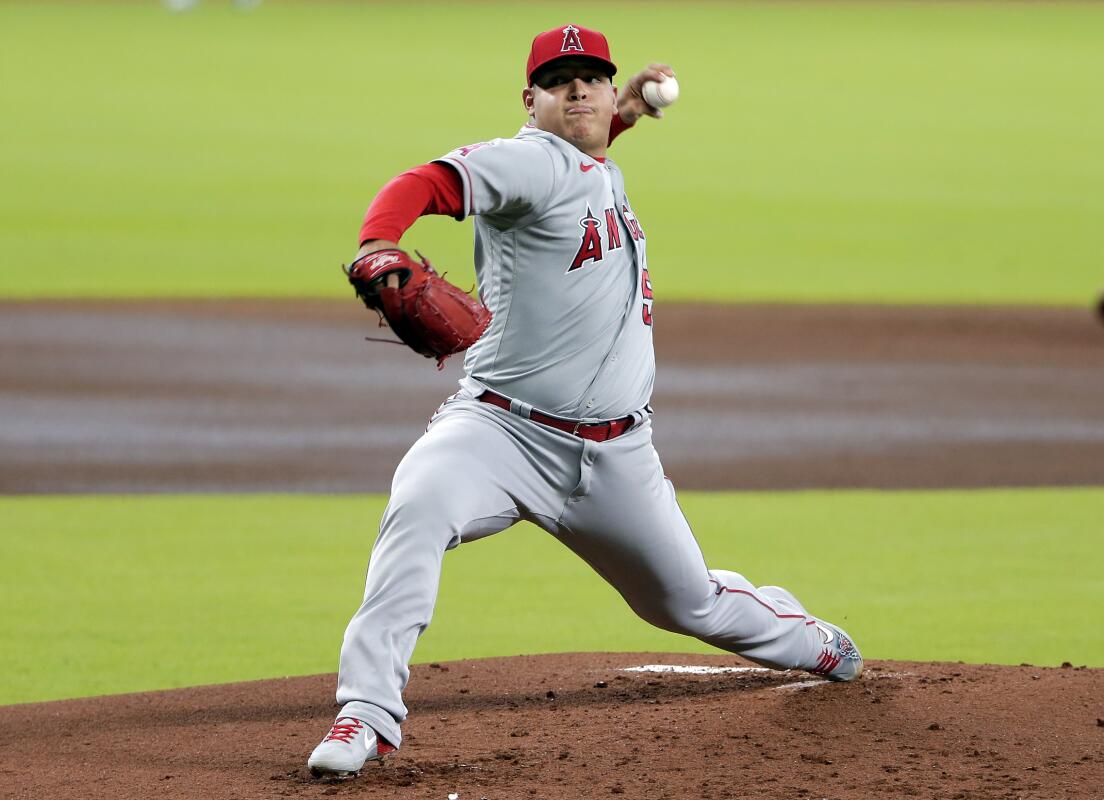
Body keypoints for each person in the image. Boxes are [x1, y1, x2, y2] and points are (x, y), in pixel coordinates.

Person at [307, 23, 863, 779]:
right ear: (528, 99)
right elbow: (426, 183)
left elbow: (585, 162)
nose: (579, 89)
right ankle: (364, 714)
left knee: (688, 605)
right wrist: (378, 242)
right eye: (561, 80)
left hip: (617, 457)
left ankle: (811, 641)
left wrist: (621, 116)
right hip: (500, 432)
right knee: (419, 505)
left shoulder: (591, 161)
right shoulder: (525, 161)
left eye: (592, 78)